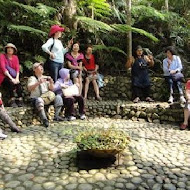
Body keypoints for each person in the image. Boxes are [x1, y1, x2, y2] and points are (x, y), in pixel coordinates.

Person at [27, 62, 64, 128]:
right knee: (39, 100)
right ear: (34, 69)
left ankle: (56, 116)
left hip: (47, 98)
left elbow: (51, 89)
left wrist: (51, 82)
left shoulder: (46, 77)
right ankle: (44, 119)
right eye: (39, 66)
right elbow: (29, 89)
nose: (41, 67)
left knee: (58, 97)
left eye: (42, 66)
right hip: (36, 98)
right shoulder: (32, 78)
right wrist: (38, 83)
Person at [0, 43, 24, 107]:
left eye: (11, 48)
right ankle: (12, 100)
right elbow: (3, 68)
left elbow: (17, 69)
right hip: (3, 76)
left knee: (18, 84)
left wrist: (17, 78)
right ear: (6, 49)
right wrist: (12, 79)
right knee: (10, 83)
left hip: (14, 76)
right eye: (8, 48)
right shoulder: (2, 56)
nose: (10, 49)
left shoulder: (15, 57)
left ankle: (20, 99)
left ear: (14, 50)